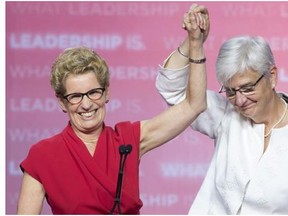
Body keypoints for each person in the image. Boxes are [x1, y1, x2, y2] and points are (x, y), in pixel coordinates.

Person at [16, 4, 210, 215]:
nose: (87, 104)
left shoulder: (128, 140)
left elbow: (194, 104)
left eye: (94, 92)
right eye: (75, 96)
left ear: (106, 92)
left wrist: (195, 43)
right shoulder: (42, 156)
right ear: (62, 102)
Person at [156, 6, 288, 214]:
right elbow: (172, 90)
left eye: (247, 88)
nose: (240, 100)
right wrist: (193, 43)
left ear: (271, 76)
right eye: (231, 91)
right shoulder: (226, 114)